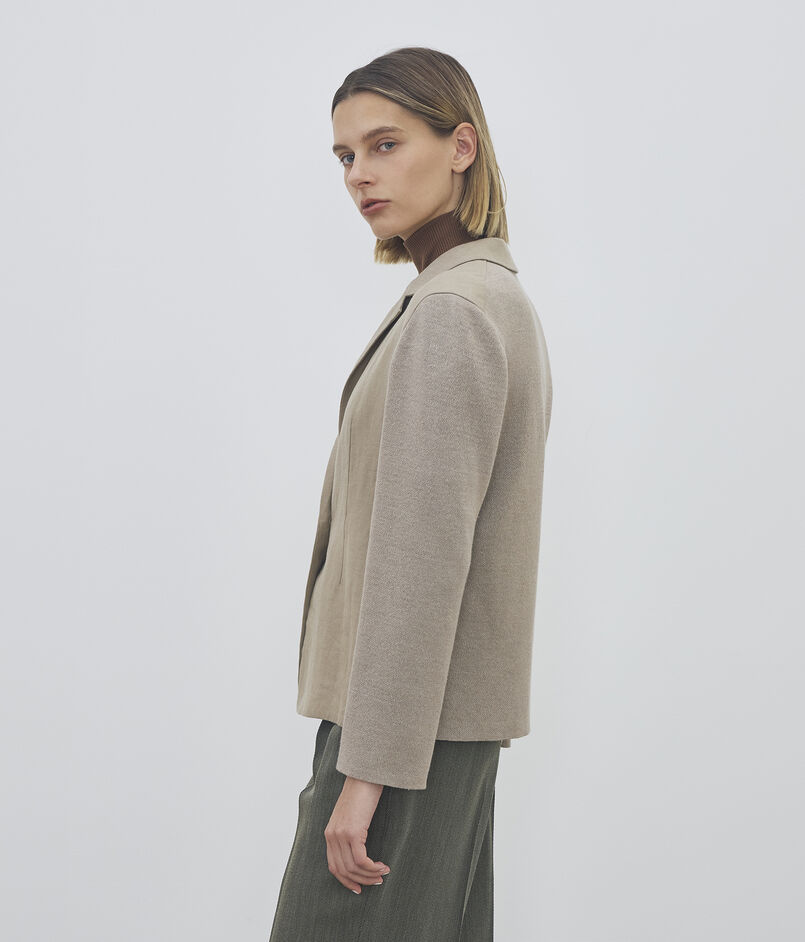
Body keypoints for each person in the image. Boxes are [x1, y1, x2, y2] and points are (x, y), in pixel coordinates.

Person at [269, 45, 552, 941]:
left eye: (385, 144)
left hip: (400, 739)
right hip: (431, 732)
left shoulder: (452, 313)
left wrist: (367, 774)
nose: (359, 174)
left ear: (460, 146)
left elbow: (420, 564)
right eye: (345, 155)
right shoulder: (480, 297)